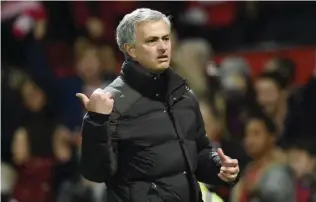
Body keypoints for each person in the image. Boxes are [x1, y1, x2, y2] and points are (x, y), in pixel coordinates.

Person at [76, 8, 239, 202]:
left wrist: (218, 168)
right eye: (152, 40)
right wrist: (97, 122)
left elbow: (197, 155)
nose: (162, 47)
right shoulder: (112, 101)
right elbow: (96, 171)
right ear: (131, 50)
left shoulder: (184, 95)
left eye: (165, 38)